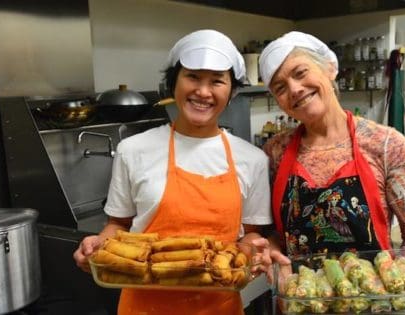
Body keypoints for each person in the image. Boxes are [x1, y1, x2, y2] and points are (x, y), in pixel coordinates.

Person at [73, 29, 272, 315]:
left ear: (231, 92)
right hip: (143, 307)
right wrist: (96, 247)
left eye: (217, 81)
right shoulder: (133, 149)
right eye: (192, 77)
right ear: (172, 84)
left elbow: (251, 237)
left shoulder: (252, 160)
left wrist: (256, 251)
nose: (203, 92)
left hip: (219, 308)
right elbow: (117, 226)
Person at [253, 31, 405, 274]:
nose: (294, 89)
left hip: (372, 301)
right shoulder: (275, 151)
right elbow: (274, 232)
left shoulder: (386, 144)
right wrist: (272, 251)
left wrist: (396, 280)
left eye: (300, 73)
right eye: (280, 87)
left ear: (329, 68)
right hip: (301, 301)